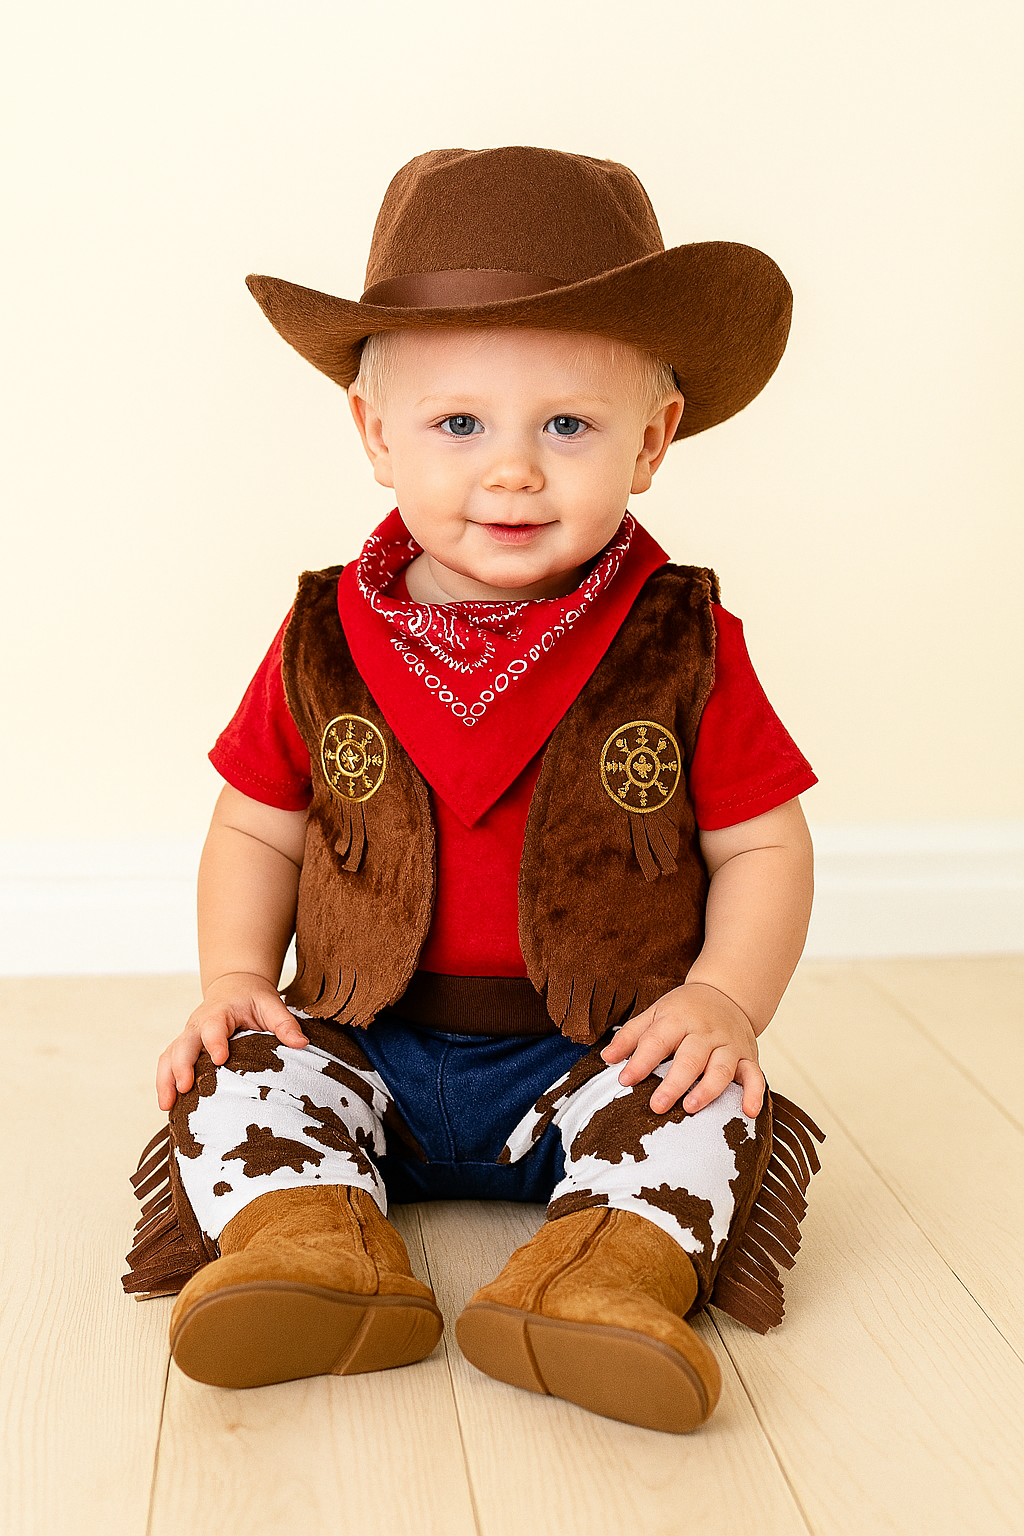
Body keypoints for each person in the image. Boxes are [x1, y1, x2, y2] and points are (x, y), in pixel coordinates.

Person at [123, 145, 823, 1435]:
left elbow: (764, 847)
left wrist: (723, 998)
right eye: (460, 425)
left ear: (652, 441)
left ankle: (604, 1278)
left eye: (568, 425)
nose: (513, 470)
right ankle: (307, 1247)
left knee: (708, 1105)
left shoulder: (680, 644)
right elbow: (257, 828)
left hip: (599, 1049)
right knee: (231, 1078)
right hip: (363, 1038)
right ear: (374, 434)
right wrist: (235, 978)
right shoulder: (325, 637)